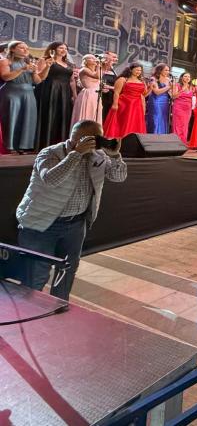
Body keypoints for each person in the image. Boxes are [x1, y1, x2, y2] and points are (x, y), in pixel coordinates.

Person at [16, 119, 127, 300]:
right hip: (41, 225)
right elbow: (51, 179)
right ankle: (28, 322)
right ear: (79, 138)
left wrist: (115, 156)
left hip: (75, 225)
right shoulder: (50, 153)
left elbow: (119, 176)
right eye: (96, 139)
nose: (99, 143)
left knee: (66, 273)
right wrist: (76, 154)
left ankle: (59, 309)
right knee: (35, 277)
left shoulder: (98, 156)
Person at [0, 41, 50, 153]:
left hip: (28, 93)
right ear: (12, 49)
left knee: (27, 119)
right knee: (11, 119)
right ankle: (10, 147)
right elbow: (6, 77)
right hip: (12, 92)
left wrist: (46, 67)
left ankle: (23, 146)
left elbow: (37, 81)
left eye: (27, 48)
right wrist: (22, 69)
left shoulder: (28, 62)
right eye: (22, 48)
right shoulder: (5, 61)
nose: (26, 50)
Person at [35, 41, 77, 149]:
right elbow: (39, 77)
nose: (64, 50)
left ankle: (59, 145)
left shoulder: (69, 64)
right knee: (49, 114)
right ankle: (45, 144)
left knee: (63, 116)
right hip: (50, 89)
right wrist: (48, 65)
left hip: (65, 91)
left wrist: (75, 95)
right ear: (53, 49)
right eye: (60, 48)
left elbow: (72, 81)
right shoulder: (45, 60)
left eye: (65, 48)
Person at [103, 63, 148, 138]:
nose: (139, 72)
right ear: (131, 70)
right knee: (124, 121)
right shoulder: (123, 79)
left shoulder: (141, 81)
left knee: (134, 122)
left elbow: (144, 94)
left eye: (140, 70)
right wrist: (115, 104)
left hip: (137, 104)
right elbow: (116, 92)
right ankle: (121, 138)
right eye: (137, 70)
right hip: (125, 103)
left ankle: (132, 140)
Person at [70, 54, 103, 125]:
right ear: (85, 61)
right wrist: (99, 65)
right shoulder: (83, 69)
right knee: (87, 113)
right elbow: (97, 76)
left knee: (95, 114)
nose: (94, 59)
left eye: (94, 58)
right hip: (88, 94)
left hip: (96, 95)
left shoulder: (95, 70)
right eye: (91, 58)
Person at [145, 63, 172, 134]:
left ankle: (162, 137)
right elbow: (157, 92)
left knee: (163, 119)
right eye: (165, 70)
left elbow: (170, 92)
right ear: (160, 70)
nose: (168, 72)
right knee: (155, 118)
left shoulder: (168, 79)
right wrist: (168, 87)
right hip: (155, 101)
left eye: (168, 70)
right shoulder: (153, 79)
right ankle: (153, 136)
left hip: (165, 102)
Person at [171, 72, 194, 144]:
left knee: (185, 125)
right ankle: (176, 142)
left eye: (189, 77)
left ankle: (183, 142)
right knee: (178, 125)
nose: (187, 78)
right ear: (181, 77)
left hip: (188, 109)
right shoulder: (177, 85)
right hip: (178, 107)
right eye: (185, 76)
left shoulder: (191, 87)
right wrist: (182, 90)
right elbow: (173, 97)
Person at [99, 51, 118, 122]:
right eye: (113, 57)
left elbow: (117, 86)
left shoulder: (114, 71)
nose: (116, 59)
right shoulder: (98, 68)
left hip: (110, 97)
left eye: (116, 57)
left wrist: (110, 87)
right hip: (99, 95)